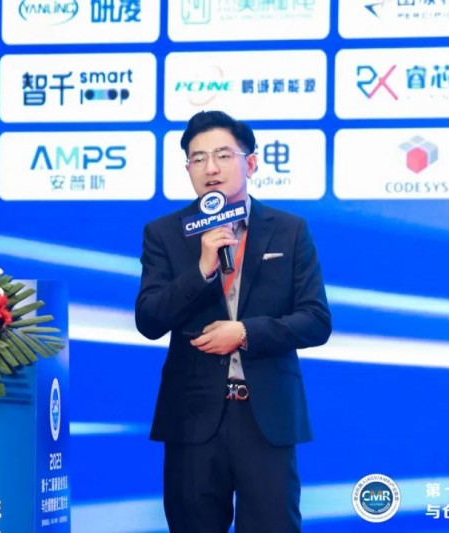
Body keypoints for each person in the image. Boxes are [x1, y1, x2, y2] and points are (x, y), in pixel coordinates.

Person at [134, 110, 332, 533]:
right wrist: (200, 270)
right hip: (192, 417)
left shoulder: (290, 231)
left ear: (251, 163)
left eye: (223, 155)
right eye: (198, 158)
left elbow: (315, 320)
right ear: (188, 168)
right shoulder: (165, 233)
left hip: (267, 418)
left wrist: (244, 333)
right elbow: (149, 320)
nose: (211, 168)